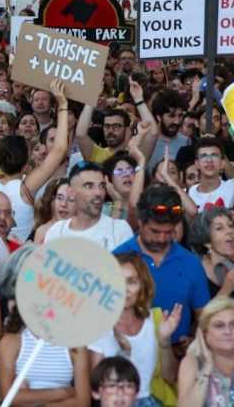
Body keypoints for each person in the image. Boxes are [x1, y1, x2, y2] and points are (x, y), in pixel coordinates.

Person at [115, 184, 211, 348]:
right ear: (140, 222)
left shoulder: (191, 263)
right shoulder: (117, 260)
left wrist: (194, 340)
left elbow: (204, 318)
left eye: (169, 232)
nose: (161, 239)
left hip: (176, 361)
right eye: (155, 231)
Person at [0, 245, 91, 405]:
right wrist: (63, 392)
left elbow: (83, 402)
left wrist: (32, 399)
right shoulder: (10, 343)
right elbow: (9, 398)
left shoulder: (75, 344)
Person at [88, 253, 181, 407]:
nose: (124, 289)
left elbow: (170, 377)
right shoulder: (100, 326)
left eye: (131, 281)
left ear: (142, 286)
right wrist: (122, 355)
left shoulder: (155, 319)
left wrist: (165, 340)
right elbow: (95, 387)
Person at [0, 79, 70, 240]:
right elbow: (60, 149)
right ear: (27, 160)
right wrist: (62, 105)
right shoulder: (25, 187)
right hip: (20, 257)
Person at [44, 161, 134, 251]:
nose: (98, 192)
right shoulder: (56, 232)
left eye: (101, 186)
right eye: (89, 186)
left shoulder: (120, 230)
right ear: (71, 192)